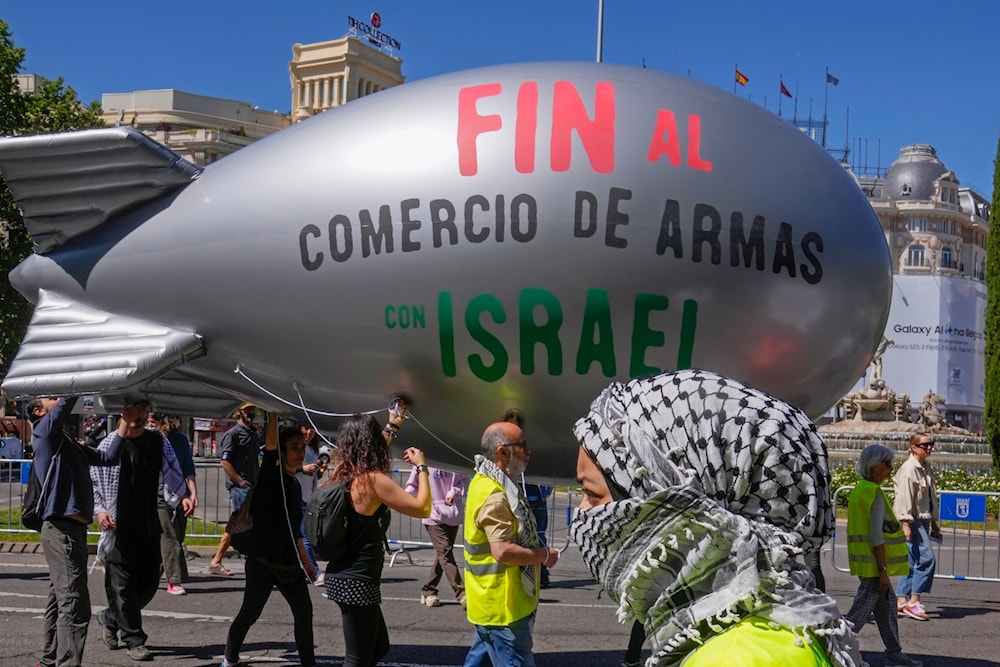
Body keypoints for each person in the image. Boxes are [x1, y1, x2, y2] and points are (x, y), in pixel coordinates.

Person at [570, 369, 864, 667]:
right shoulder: (745, 629)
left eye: (592, 494)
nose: (582, 514)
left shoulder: (737, 656)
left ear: (670, 499)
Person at [324, 406, 431, 667]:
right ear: (370, 443)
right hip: (356, 581)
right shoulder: (372, 481)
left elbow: (372, 453)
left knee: (378, 648)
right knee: (357, 659)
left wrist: (392, 426)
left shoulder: (345, 474)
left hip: (343, 576)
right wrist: (422, 468)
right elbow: (422, 507)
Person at [30, 396, 131, 667]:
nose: (58, 398)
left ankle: (49, 660)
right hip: (60, 529)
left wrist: (126, 421)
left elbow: (107, 458)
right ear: (39, 411)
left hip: (72, 530)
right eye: (50, 397)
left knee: (59, 599)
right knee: (74, 604)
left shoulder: (66, 440)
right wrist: (74, 383)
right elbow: (63, 406)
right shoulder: (43, 430)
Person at [91, 399, 195, 662]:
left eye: (142, 409)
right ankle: (135, 640)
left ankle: (110, 617)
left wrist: (183, 493)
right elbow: (94, 479)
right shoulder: (110, 443)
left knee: (148, 583)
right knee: (122, 587)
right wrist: (100, 510)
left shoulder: (156, 440)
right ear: (123, 412)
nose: (139, 414)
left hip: (148, 523)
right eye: (133, 408)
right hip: (118, 527)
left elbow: (171, 469)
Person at [222, 415, 317, 667]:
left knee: (304, 613)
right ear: (282, 451)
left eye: (302, 447)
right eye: (293, 447)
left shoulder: (295, 486)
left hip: (288, 564)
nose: (299, 452)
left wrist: (307, 563)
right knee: (249, 614)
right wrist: (273, 413)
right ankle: (229, 659)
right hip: (262, 562)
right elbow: (272, 445)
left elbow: (294, 530)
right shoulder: (270, 477)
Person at [462, 420, 559, 667]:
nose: (528, 451)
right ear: (502, 452)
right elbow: (502, 551)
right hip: (503, 608)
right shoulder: (496, 493)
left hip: (488, 603)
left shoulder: (483, 481)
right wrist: (543, 555)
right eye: (522, 445)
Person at [845, 445, 923, 667]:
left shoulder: (860, 489)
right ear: (874, 466)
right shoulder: (874, 493)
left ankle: (894, 654)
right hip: (874, 568)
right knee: (856, 617)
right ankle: (833, 647)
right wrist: (882, 572)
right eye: (887, 464)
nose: (891, 469)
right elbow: (876, 536)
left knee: (887, 611)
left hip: (866, 564)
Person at [502, 408, 553, 588]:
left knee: (539, 535)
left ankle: (542, 574)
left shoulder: (527, 448)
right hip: (518, 497)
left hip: (535, 497)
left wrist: (546, 490)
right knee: (520, 537)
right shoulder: (505, 451)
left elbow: (545, 469)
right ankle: (528, 572)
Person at [148, 414, 198, 596]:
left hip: (180, 493)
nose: (150, 424)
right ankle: (173, 581)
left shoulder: (180, 440)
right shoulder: (149, 439)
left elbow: (188, 467)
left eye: (153, 421)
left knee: (178, 535)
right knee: (170, 537)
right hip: (159, 494)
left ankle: (150, 577)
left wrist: (193, 493)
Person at [209, 402, 261, 576]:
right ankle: (217, 561)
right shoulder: (232, 434)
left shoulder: (253, 433)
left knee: (243, 524)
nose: (251, 413)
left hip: (253, 485)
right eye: (248, 410)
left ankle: (220, 561)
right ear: (239, 412)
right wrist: (239, 481)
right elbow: (225, 461)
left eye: (253, 410)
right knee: (239, 525)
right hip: (241, 488)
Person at [405, 465, 468, 607]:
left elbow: (464, 481)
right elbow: (413, 486)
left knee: (443, 555)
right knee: (445, 552)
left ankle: (428, 589)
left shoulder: (453, 459)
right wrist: (399, 498)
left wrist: (454, 493)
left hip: (452, 513)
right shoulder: (423, 462)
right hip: (432, 513)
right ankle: (461, 593)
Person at [893, 433, 939, 621]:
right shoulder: (909, 469)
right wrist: (905, 523)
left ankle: (902, 600)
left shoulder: (925, 467)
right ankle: (914, 601)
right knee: (927, 559)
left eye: (931, 444)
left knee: (913, 562)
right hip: (913, 520)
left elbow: (929, 498)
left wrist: (934, 520)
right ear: (913, 447)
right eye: (924, 445)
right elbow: (904, 498)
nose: (929, 448)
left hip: (923, 519)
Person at [296, 422, 327, 585]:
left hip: (307, 496)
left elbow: (312, 476)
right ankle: (313, 572)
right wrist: (303, 468)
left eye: (312, 429)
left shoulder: (313, 449)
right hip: (295, 495)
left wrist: (319, 471)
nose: (309, 432)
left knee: (301, 535)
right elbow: (287, 467)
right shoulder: (295, 447)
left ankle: (303, 569)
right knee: (304, 535)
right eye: (305, 428)